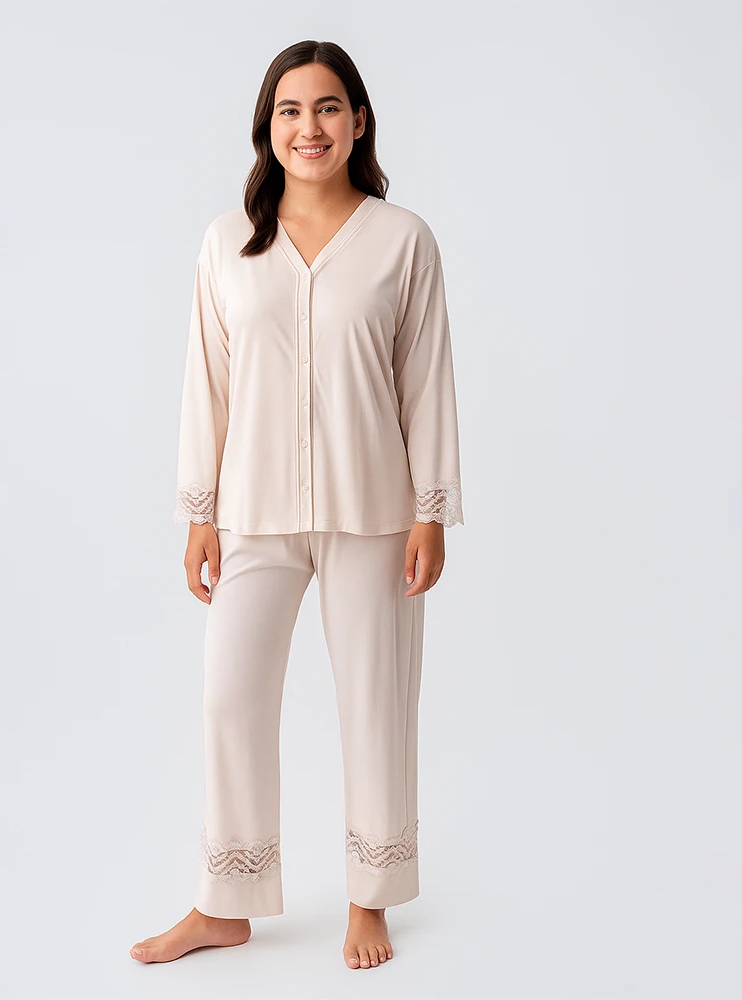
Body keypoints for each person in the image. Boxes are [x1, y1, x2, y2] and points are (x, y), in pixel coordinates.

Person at [130, 38, 463, 971]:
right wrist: (200, 513)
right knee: (229, 697)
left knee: (376, 703)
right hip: (253, 511)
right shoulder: (228, 246)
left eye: (325, 107)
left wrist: (431, 510)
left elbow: (426, 382)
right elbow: (207, 384)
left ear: (357, 120)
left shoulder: (402, 240)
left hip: (375, 511)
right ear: (266, 128)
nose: (307, 127)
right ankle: (225, 904)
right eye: (289, 110)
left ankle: (370, 898)